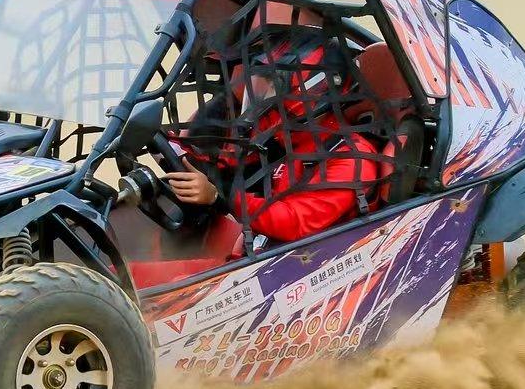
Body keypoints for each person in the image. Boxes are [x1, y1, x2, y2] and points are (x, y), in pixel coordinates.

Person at [165, 31, 388, 244]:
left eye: (275, 84)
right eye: (267, 82)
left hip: (309, 264)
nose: (265, 93)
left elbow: (294, 222)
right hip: (261, 246)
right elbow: (232, 162)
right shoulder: (287, 133)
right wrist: (172, 150)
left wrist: (218, 196)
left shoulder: (352, 160)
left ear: (315, 91)